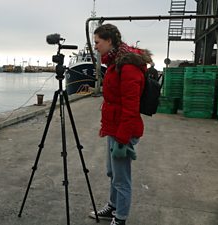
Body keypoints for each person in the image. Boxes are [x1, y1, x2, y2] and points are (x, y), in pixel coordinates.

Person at [88, 24, 152, 225]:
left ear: (109, 41)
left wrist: (123, 138)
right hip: (114, 127)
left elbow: (131, 106)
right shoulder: (115, 62)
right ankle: (113, 207)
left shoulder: (128, 66)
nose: (95, 46)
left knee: (122, 178)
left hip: (123, 129)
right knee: (112, 172)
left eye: (97, 42)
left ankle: (120, 218)